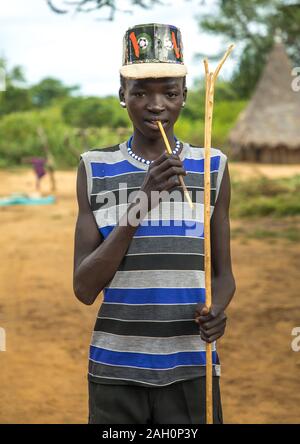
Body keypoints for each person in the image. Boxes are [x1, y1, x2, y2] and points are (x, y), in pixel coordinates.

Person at [73, 23, 236, 424]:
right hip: (116, 371)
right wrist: (141, 202)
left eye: (169, 91)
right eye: (141, 92)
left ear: (185, 97)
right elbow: (83, 287)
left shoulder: (212, 167)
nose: (156, 104)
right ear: (121, 96)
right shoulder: (95, 168)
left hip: (191, 367)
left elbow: (224, 276)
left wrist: (218, 310)